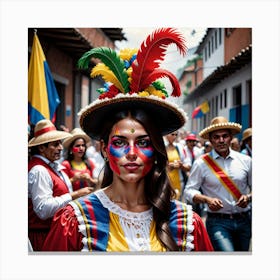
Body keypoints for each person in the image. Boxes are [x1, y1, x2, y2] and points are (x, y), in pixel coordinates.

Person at [42, 28, 213, 252]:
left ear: (157, 148)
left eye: (143, 142)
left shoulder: (187, 224)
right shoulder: (76, 221)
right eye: (120, 142)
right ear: (104, 148)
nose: (131, 152)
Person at [184, 116, 252, 251]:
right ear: (210, 140)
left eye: (225, 136)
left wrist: (248, 197)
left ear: (231, 137)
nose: (221, 140)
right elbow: (189, 191)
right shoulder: (201, 163)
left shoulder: (246, 160)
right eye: (216, 137)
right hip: (217, 222)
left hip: (244, 220)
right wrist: (207, 199)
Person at [28, 119, 94, 251]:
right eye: (55, 144)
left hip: (53, 233)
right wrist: (75, 194)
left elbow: (55, 189)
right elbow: (43, 209)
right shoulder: (39, 170)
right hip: (43, 238)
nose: (60, 148)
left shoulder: (51, 167)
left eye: (60, 143)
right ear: (41, 148)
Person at [164, 131, 188, 200]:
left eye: (176, 135)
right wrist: (169, 166)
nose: (174, 137)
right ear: (166, 135)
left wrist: (181, 165)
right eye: (172, 134)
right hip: (165, 181)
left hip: (179, 181)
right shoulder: (162, 147)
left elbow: (187, 166)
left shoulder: (179, 147)